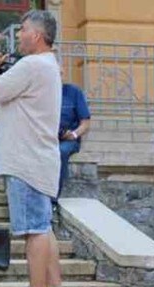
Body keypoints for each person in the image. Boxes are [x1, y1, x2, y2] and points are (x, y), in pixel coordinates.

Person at [0, 10, 70, 287]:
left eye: (23, 29)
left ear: (38, 35)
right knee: (43, 226)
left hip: (25, 161)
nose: (18, 35)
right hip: (39, 158)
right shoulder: (48, 65)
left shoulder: (32, 65)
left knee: (34, 230)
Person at [57, 65, 91, 196]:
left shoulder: (73, 92)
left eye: (60, 74)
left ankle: (53, 197)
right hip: (47, 136)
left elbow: (86, 123)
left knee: (61, 151)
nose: (58, 77)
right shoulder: (42, 93)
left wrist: (74, 134)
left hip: (69, 139)